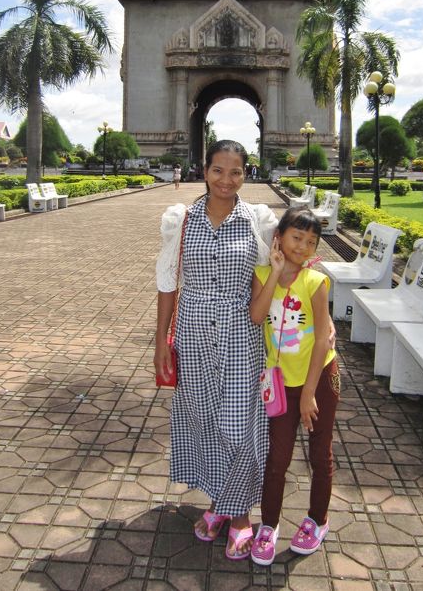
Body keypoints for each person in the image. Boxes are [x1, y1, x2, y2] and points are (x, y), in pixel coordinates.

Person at [154, 140, 277, 559]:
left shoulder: (258, 221)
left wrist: (324, 323)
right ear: (204, 171)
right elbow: (169, 282)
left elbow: (287, 271)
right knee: (203, 417)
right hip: (192, 332)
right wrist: (160, 341)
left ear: (246, 174)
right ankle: (219, 505)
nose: (227, 180)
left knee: (241, 423)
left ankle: (240, 514)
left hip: (242, 333)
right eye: (218, 170)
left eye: (236, 172)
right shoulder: (182, 219)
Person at [248, 206, 340, 566]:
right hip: (281, 383)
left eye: (310, 242)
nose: (301, 247)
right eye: (296, 238)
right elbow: (257, 316)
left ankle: (318, 520)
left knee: (320, 454)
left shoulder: (315, 282)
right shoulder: (260, 274)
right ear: (279, 239)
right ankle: (268, 526)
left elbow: (321, 340)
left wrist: (309, 395)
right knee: (278, 460)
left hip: (318, 381)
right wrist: (274, 272)